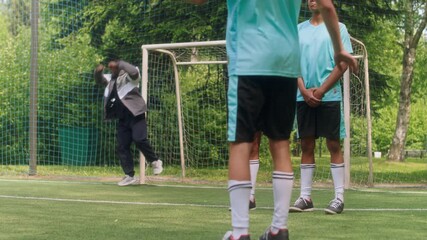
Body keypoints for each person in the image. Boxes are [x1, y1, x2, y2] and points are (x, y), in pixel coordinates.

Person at [190, 1, 357, 239]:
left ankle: (240, 232)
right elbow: (328, 6)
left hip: (248, 60)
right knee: (280, 144)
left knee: (241, 144)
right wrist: (339, 48)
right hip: (285, 63)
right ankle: (279, 228)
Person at [289, 0, 353, 215]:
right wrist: (305, 91)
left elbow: (342, 64)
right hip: (302, 96)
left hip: (330, 96)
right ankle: (305, 197)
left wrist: (322, 90)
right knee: (306, 146)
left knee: (333, 145)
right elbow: (292, 63)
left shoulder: (339, 28)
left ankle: (338, 198)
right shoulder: (298, 30)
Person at [94, 60, 163, 186]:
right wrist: (98, 72)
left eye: (115, 68)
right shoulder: (111, 79)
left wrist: (119, 63)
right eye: (112, 68)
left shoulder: (131, 77)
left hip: (136, 114)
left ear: (121, 68)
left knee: (139, 139)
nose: (112, 70)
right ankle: (129, 175)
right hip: (123, 118)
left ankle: (155, 161)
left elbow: (134, 71)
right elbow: (100, 80)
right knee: (122, 146)